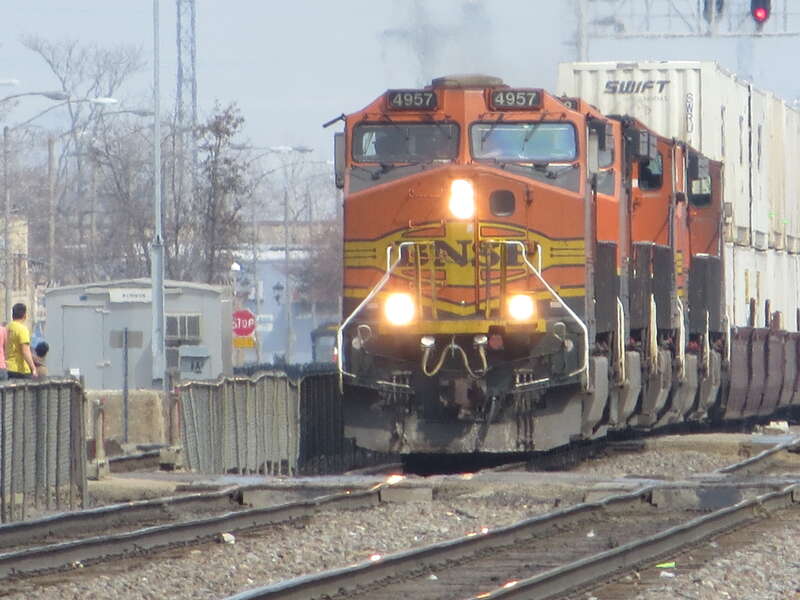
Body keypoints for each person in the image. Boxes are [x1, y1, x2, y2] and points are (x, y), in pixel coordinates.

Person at [6, 303, 36, 379]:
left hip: (7, 368)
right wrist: (33, 368)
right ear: (24, 315)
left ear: (13, 315)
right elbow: (25, 351)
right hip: (20, 370)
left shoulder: (6, 328)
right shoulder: (22, 329)